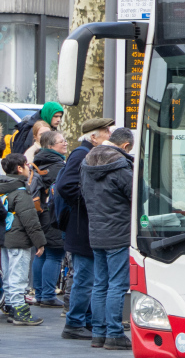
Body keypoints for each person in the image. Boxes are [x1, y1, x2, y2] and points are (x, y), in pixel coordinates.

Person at [54, 117, 114, 342]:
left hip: (84, 226)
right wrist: (91, 201)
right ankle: (74, 322)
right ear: (93, 136)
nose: (109, 135)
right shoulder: (81, 154)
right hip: (82, 227)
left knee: (90, 277)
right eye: (106, 131)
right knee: (85, 277)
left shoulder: (86, 153)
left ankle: (85, 320)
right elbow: (65, 186)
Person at [81, 127, 135, 350]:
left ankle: (98, 333)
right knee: (116, 285)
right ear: (125, 146)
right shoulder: (121, 165)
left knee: (100, 284)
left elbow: (83, 194)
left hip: (96, 231)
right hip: (119, 232)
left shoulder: (86, 162)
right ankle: (114, 333)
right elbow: (135, 194)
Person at [1, 153, 47, 326]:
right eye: (27, 165)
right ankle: (21, 311)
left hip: (4, 238)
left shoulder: (4, 188)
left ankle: (12, 306)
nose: (30, 168)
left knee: (8, 275)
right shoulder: (21, 191)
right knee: (19, 276)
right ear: (19, 168)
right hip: (19, 238)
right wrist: (39, 242)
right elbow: (30, 220)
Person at [30, 129, 69, 308]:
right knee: (55, 253)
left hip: (39, 213)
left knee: (41, 252)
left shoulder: (39, 162)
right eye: (62, 141)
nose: (66, 143)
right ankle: (47, 295)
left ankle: (39, 293)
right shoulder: (58, 166)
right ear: (51, 146)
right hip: (52, 214)